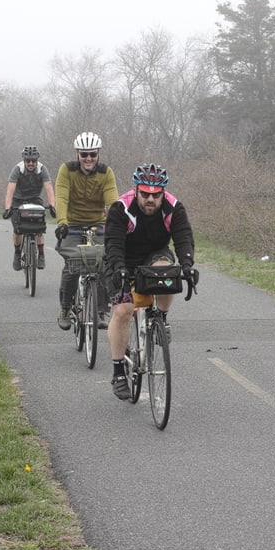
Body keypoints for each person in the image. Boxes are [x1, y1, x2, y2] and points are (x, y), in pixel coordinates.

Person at [103, 163, 195, 399]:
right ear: (136, 190)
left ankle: (160, 319)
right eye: (145, 194)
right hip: (121, 259)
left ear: (163, 192)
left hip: (154, 256)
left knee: (167, 272)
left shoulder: (174, 207)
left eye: (156, 195)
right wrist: (119, 269)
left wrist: (187, 265)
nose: (150, 200)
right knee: (123, 310)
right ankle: (118, 371)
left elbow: (183, 237)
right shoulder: (121, 208)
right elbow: (113, 244)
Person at [53, 132, 119, 330]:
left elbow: (112, 201)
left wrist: (116, 223)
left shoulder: (106, 172)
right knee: (73, 266)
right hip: (71, 225)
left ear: (98, 153)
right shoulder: (67, 170)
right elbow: (62, 197)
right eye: (84, 154)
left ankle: (99, 311)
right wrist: (62, 222)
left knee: (103, 263)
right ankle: (65, 308)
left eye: (92, 154)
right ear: (77, 154)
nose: (88, 158)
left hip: (97, 224)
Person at [2, 145, 57, 271]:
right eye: (28, 161)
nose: (31, 163)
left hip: (34, 198)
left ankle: (41, 254)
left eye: (33, 161)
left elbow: (49, 188)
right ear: (24, 160)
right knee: (17, 229)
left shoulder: (42, 169)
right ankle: (17, 253)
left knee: (39, 227)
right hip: (18, 199)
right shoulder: (17, 169)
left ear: (37, 160)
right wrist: (7, 208)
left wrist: (52, 206)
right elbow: (10, 190)